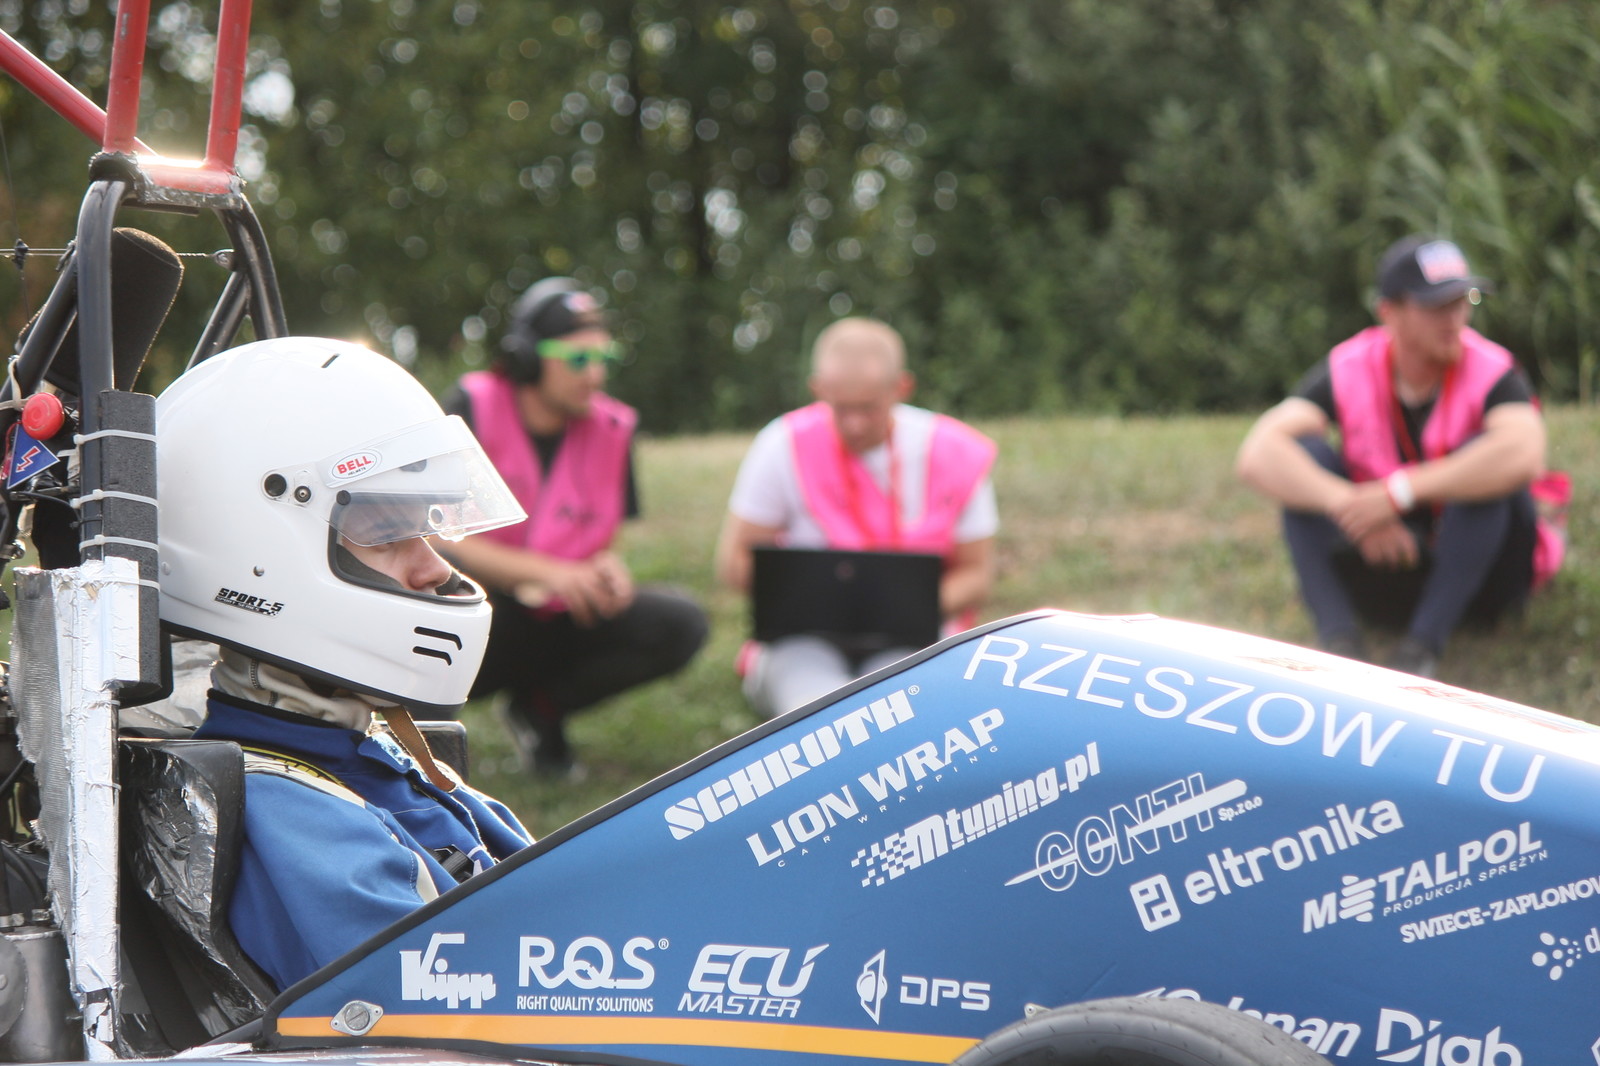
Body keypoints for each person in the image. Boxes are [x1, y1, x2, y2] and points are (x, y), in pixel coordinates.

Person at [155, 337, 535, 992]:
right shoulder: (297, 821)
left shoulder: (373, 755)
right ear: (256, 555)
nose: (435, 569)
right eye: (387, 533)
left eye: (425, 529)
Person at [1235, 235, 1565, 679]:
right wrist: (1350, 506)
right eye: (1437, 305)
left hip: (1484, 586)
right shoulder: (1351, 365)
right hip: (1391, 565)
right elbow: (1258, 452)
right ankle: (1340, 644)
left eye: (1463, 301)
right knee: (1304, 463)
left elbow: (1524, 453)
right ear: (1388, 311)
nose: (1455, 319)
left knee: (1488, 471)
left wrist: (1397, 494)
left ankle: (1421, 650)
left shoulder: (1493, 370)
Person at [438, 277, 706, 777]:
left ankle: (539, 710)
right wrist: (547, 574)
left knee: (681, 623)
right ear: (528, 359)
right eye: (579, 358)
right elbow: (436, 537)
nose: (596, 374)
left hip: (559, 614)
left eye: (604, 356)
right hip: (479, 612)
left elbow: (601, 542)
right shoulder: (473, 405)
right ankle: (414, 736)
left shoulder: (613, 429)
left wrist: (607, 571)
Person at [715, 316, 998, 718]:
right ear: (818, 389)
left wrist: (903, 607)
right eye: (841, 408)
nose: (855, 424)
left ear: (902, 387)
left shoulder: (955, 453)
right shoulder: (783, 444)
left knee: (901, 711)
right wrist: (814, 601)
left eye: (868, 408)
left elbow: (977, 575)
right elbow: (733, 564)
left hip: (909, 638)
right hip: (804, 637)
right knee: (816, 717)